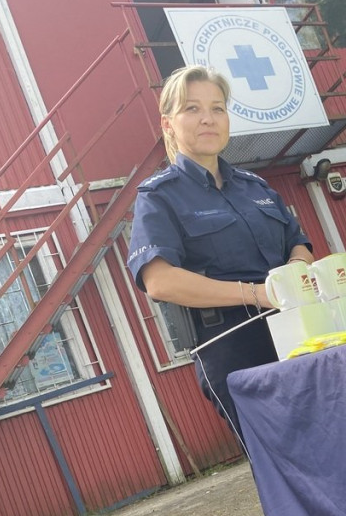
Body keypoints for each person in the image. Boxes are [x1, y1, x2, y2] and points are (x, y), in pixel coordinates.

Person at [127, 65, 314, 441]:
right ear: (168, 124)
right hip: (233, 346)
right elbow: (159, 280)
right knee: (282, 462)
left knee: (336, 442)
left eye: (217, 108)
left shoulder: (256, 187)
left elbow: (298, 242)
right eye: (192, 109)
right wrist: (256, 294)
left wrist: (295, 268)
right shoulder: (159, 196)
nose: (208, 119)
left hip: (299, 330)